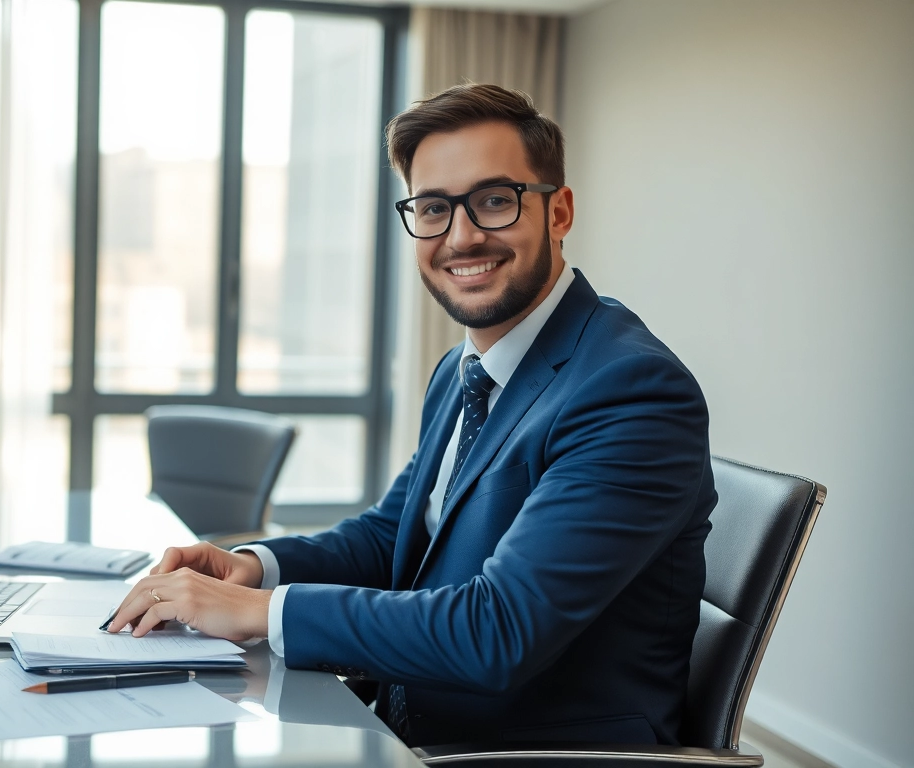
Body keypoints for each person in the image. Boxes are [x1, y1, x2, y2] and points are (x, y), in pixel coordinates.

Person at [107, 83, 715, 748]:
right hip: (403, 731)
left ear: (559, 212)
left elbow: (498, 631)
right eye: (433, 208)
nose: (462, 237)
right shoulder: (463, 370)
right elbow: (390, 536)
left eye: (494, 200)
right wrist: (254, 567)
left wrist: (258, 611)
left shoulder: (630, 390)